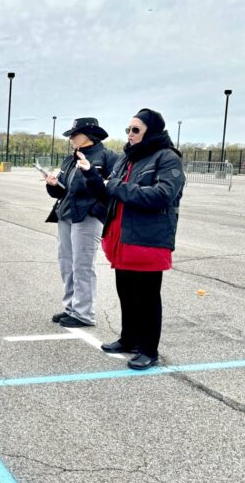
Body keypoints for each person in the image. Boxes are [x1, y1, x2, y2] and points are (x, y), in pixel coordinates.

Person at [78, 108, 185, 370]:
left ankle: (148, 350)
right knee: (126, 292)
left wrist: (113, 186)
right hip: (122, 237)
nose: (130, 134)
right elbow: (108, 193)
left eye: (136, 129)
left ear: (151, 131)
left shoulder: (168, 158)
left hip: (148, 239)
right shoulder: (127, 158)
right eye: (128, 129)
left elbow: (161, 195)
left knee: (147, 297)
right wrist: (91, 175)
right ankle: (128, 339)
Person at [45, 118, 117, 328]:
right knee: (67, 264)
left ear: (89, 134)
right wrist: (52, 185)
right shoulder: (70, 159)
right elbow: (64, 190)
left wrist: (91, 173)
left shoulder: (107, 156)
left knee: (83, 265)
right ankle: (71, 307)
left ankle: (84, 312)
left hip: (88, 215)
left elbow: (108, 189)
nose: (71, 137)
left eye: (75, 134)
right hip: (66, 214)